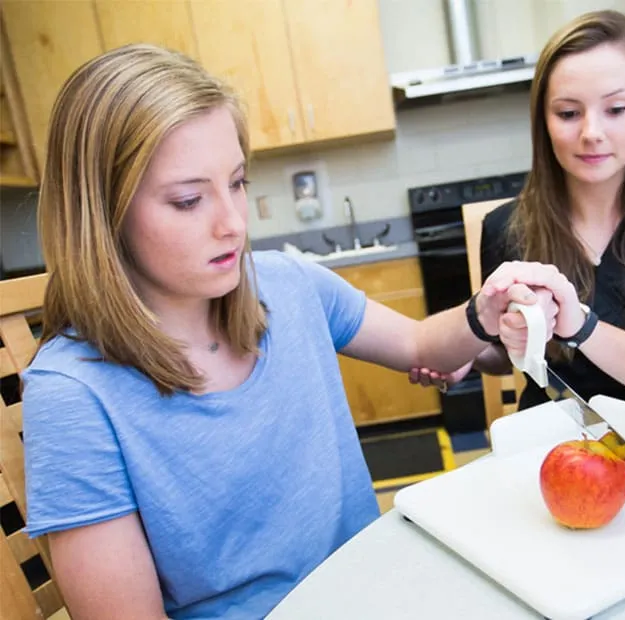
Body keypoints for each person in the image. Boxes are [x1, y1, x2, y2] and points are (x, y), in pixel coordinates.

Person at [20, 44, 580, 620]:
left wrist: (484, 314)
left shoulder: (286, 285)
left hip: (380, 595)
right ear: (101, 214)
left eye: (237, 183)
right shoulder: (72, 397)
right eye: (188, 200)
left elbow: (417, 346)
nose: (233, 223)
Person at [410, 10, 625, 409]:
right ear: (543, 121)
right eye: (568, 113)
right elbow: (506, 355)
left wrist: (576, 323)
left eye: (616, 109)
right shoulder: (505, 227)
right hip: (548, 435)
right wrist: (468, 355)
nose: (591, 133)